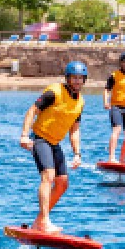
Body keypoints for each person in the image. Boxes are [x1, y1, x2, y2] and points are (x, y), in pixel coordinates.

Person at [20, 61, 87, 234]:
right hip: (40, 138)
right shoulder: (54, 92)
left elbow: (75, 130)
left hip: (55, 143)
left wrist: (77, 153)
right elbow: (32, 111)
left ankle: (39, 221)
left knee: (63, 184)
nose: (77, 81)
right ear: (68, 78)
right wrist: (24, 135)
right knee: (48, 176)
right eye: (74, 78)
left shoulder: (80, 102)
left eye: (80, 78)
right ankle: (45, 221)